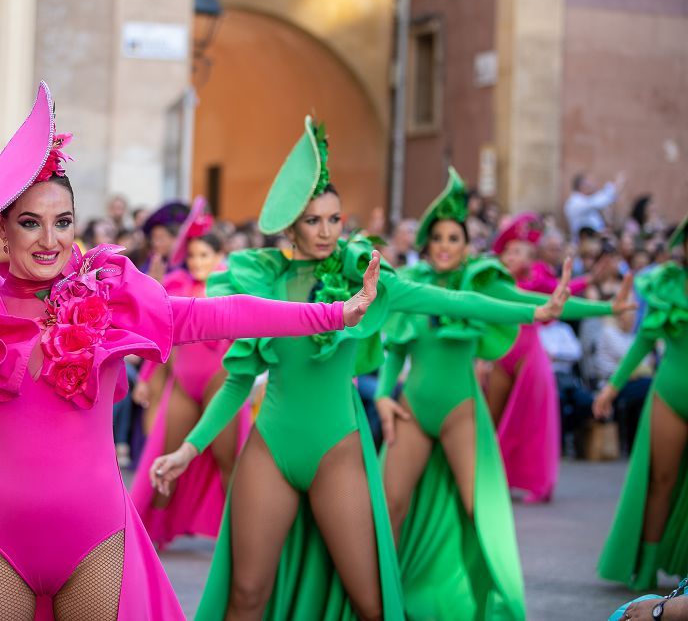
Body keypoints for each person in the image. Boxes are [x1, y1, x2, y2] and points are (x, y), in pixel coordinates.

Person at [0, 83, 382, 620]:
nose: (49, 240)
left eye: (62, 222)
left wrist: (334, 314)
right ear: (1, 229)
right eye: (30, 222)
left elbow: (215, 315)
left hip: (94, 538)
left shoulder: (107, 296)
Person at [151, 120, 574, 621]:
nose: (326, 231)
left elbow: (452, 297)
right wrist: (188, 448)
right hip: (270, 449)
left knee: (369, 603)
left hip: (337, 452)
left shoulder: (364, 282)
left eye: (334, 219)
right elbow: (239, 380)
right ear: (293, 225)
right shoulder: (265, 281)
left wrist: (534, 311)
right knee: (246, 597)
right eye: (313, 220)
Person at [376, 168, 572, 619]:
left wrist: (560, 309)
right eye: (438, 238)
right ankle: (385, 603)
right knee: (389, 507)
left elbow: (500, 305)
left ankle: (490, 606)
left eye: (454, 238)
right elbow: (394, 351)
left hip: (461, 410)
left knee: (477, 509)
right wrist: (384, 395)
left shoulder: (475, 283)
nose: (445, 245)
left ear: (467, 247)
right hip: (412, 410)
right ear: (426, 245)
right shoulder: (411, 286)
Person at [486, 212, 632, 502]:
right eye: (510, 251)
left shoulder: (537, 280)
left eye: (522, 251)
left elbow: (560, 299)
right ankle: (488, 478)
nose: (515, 256)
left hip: (528, 355)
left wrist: (598, 294)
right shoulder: (491, 282)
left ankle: (533, 482)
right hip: (500, 354)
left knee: (530, 422)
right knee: (493, 421)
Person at [130, 198, 248, 549]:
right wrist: (149, 378)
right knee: (167, 459)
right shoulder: (175, 285)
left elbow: (254, 332)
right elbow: (159, 336)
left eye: (205, 256)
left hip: (220, 381)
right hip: (183, 382)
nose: (197, 262)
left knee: (228, 461)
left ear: (219, 257)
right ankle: (154, 533)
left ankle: (237, 537)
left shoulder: (232, 287)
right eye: (193, 255)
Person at [594, 213, 688, 591]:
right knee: (660, 482)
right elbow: (645, 342)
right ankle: (647, 570)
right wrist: (611, 388)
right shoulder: (667, 285)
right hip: (670, 393)